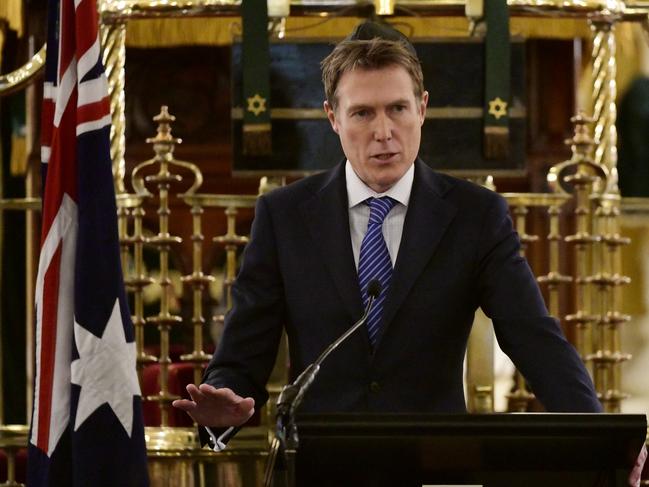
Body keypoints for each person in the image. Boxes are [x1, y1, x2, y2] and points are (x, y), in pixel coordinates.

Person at [173, 21, 646, 485]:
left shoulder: (474, 215)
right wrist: (223, 410)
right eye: (362, 113)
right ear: (332, 118)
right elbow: (242, 356)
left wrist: (601, 439)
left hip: (438, 469)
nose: (383, 131)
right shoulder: (285, 216)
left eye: (397, 108)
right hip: (318, 468)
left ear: (422, 109)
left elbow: (535, 340)